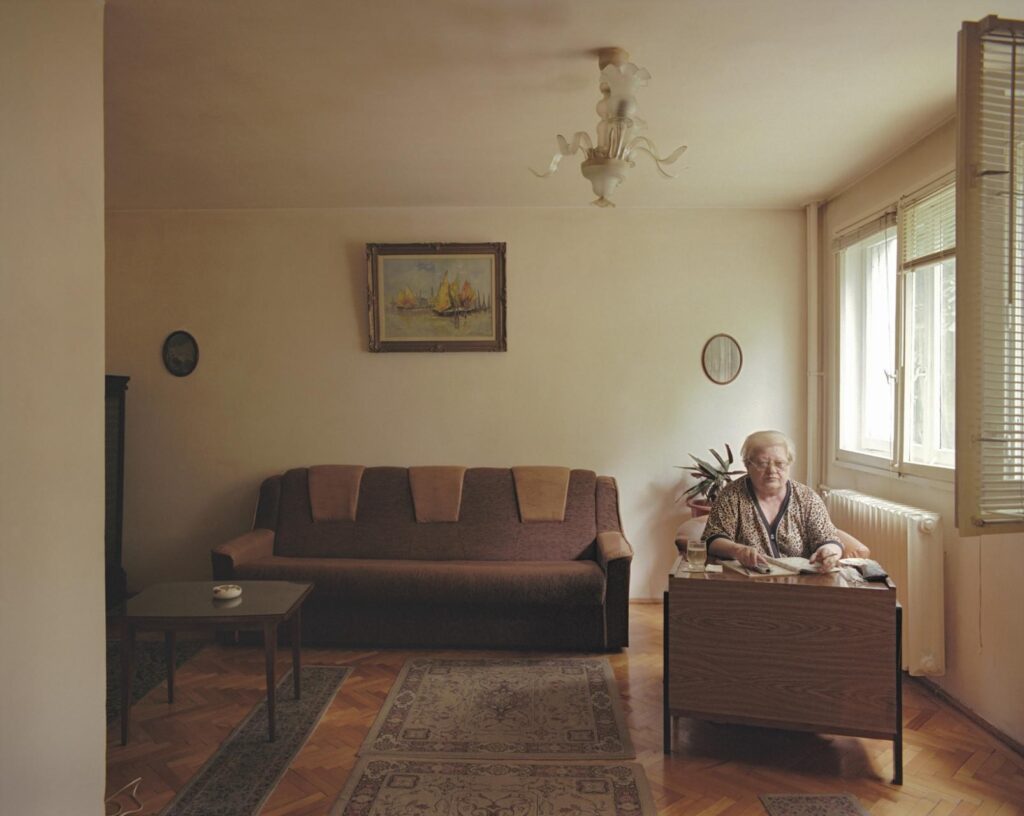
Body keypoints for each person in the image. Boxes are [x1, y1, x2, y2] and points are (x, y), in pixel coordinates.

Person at [702, 430, 843, 571]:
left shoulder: (807, 498)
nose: (771, 470)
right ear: (747, 465)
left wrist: (828, 552)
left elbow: (829, 539)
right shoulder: (731, 496)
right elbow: (713, 539)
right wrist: (738, 550)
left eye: (779, 463)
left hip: (799, 581)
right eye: (762, 463)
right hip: (748, 580)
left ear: (789, 464)